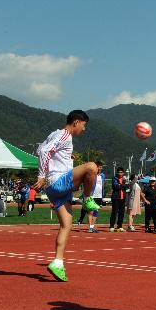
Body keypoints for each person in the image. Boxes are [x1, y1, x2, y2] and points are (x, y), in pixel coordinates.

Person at [34, 110, 98, 282]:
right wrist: (42, 175)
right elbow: (44, 151)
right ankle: (87, 198)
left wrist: (63, 160)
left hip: (54, 188)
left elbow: (41, 148)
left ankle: (58, 262)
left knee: (66, 225)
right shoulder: (65, 135)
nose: (84, 130)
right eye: (84, 126)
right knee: (92, 167)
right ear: (76, 122)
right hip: (57, 182)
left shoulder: (55, 134)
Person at [85, 162, 105, 233]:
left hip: (99, 196)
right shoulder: (92, 175)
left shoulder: (102, 176)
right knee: (91, 212)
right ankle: (90, 227)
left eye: (101, 167)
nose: (100, 168)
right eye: (99, 167)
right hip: (92, 196)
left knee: (96, 212)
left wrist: (102, 196)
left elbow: (103, 186)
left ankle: (92, 227)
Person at [110, 168, 127, 232]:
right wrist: (123, 186)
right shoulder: (114, 178)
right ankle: (112, 226)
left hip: (123, 198)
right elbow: (116, 186)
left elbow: (128, 186)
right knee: (114, 212)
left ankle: (120, 226)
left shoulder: (124, 179)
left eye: (121, 172)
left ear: (123, 173)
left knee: (121, 213)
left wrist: (121, 185)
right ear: (117, 173)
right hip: (116, 198)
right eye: (119, 172)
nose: (120, 173)